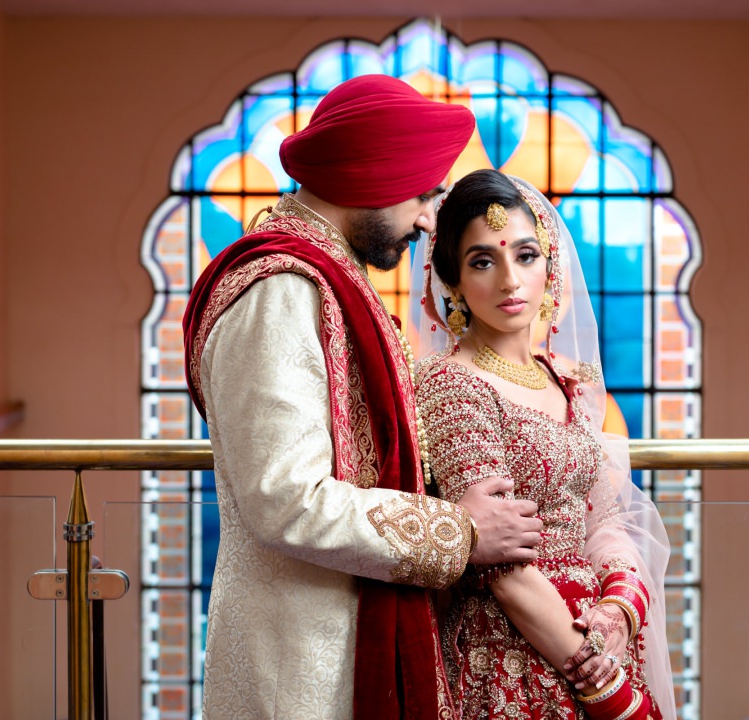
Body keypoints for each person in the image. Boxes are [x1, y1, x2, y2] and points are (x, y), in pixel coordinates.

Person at [182, 77, 544, 720]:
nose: (431, 218)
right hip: (300, 670)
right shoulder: (281, 291)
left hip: (342, 645)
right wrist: (457, 531)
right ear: (375, 177)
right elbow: (283, 498)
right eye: (426, 194)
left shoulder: (326, 278)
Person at [412, 169, 676, 719]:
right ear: (453, 281)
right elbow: (501, 564)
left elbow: (606, 517)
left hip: (594, 638)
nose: (510, 280)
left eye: (526, 255)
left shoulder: (570, 380)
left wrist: (619, 609)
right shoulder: (450, 384)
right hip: (513, 657)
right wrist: (598, 680)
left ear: (549, 264)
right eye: (483, 261)